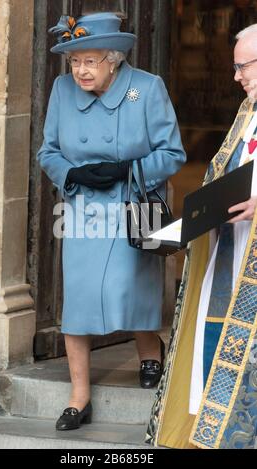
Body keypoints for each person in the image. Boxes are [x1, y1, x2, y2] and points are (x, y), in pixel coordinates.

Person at [37, 12, 186, 431]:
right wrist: (72, 173)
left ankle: (148, 349)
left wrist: (129, 172)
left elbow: (172, 153)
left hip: (130, 206)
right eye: (74, 62)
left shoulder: (146, 89)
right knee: (79, 301)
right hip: (82, 209)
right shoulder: (62, 90)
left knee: (129, 286)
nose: (80, 70)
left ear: (114, 59)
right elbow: (48, 150)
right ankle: (78, 397)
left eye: (90, 60)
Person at [146, 24, 257, 450]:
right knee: (213, 344)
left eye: (241, 66)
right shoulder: (247, 113)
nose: (236, 77)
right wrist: (196, 219)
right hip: (230, 255)